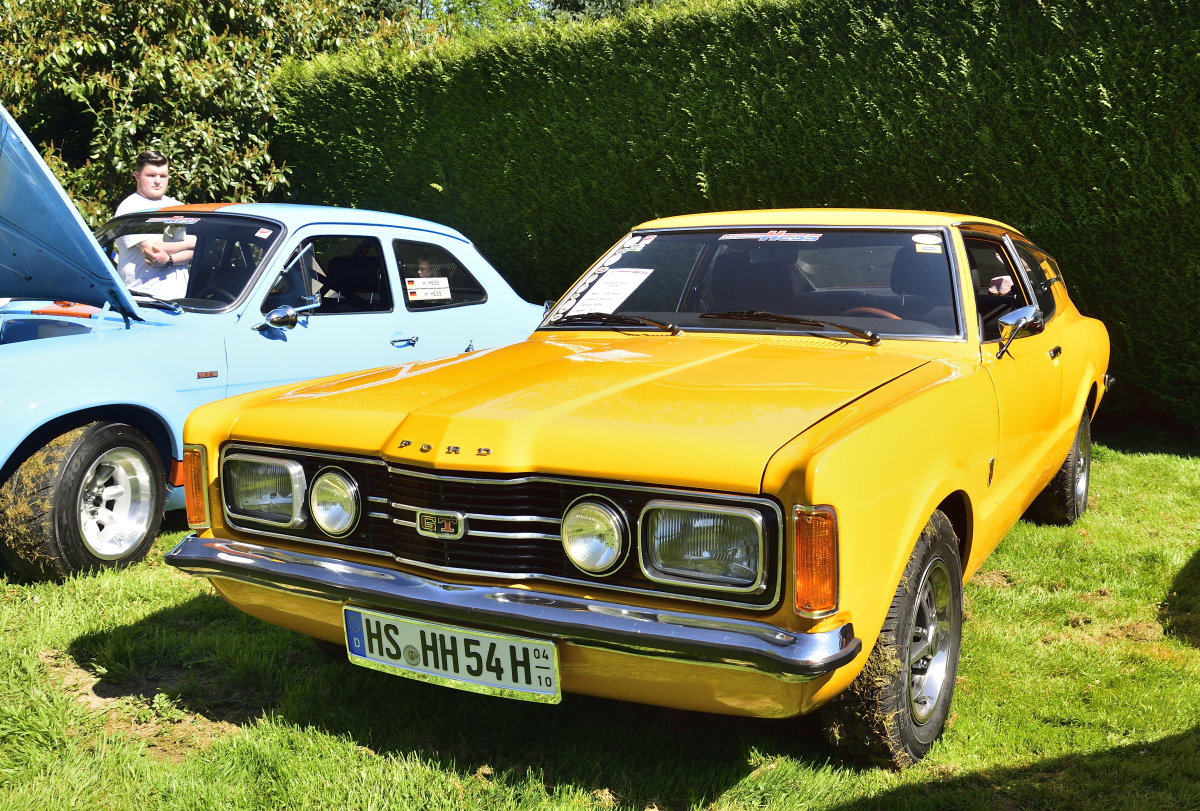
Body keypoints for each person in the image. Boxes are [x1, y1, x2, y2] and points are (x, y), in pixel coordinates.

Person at [113, 150, 195, 300]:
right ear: (137, 176)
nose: (158, 181)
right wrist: (193, 241)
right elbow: (152, 249)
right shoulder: (130, 208)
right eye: (151, 175)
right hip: (142, 299)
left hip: (179, 299)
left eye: (163, 176)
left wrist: (169, 260)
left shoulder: (178, 207)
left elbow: (194, 252)